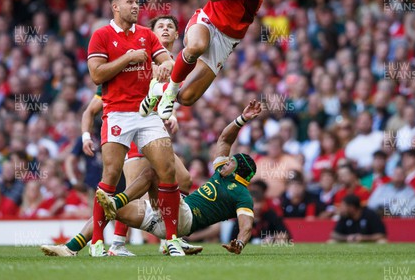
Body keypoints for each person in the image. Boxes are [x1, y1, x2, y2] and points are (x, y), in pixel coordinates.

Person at [41, 100, 263, 257]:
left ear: (239, 170)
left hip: (184, 220)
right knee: (108, 211)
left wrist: (241, 242)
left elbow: (247, 224)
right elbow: (225, 138)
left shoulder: (241, 194)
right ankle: (71, 247)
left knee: (153, 172)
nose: (225, 161)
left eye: (231, 161)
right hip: (163, 219)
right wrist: (242, 119)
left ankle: (118, 201)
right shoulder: (221, 174)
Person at [71, 15, 190, 256]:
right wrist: (85, 136)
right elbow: (92, 107)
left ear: (177, 35)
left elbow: (172, 93)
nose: (165, 30)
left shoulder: (173, 63)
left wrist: (172, 113)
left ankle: (166, 235)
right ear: (152, 33)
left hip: (151, 126)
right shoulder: (134, 60)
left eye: (170, 27)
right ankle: (112, 242)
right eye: (160, 27)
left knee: (181, 178)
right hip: (127, 123)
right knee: (132, 190)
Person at [139, 0, 283, 119]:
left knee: (187, 98)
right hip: (207, 20)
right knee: (196, 46)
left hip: (227, 38)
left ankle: (158, 89)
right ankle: (170, 92)